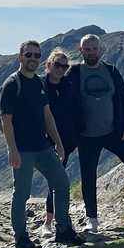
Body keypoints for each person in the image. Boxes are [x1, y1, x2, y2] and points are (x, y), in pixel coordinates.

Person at [0, 40, 85, 248]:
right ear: (20, 57)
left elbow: (47, 115)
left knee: (62, 185)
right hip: (23, 150)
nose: (33, 59)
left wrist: (58, 143)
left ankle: (63, 230)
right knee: (21, 194)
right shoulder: (12, 84)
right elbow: (6, 119)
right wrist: (12, 149)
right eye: (28, 55)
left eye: (36, 55)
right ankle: (21, 238)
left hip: (43, 147)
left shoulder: (38, 83)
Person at [65, 34, 124, 233]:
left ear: (101, 49)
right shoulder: (74, 73)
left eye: (94, 49)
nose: (91, 53)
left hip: (114, 132)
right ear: (81, 51)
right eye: (87, 49)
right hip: (85, 136)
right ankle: (92, 220)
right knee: (88, 177)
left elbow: (123, 98)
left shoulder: (111, 71)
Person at [40, 48, 81, 237]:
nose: (61, 69)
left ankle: (51, 223)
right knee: (56, 180)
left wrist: (75, 137)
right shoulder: (39, 86)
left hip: (65, 142)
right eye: (58, 65)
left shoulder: (68, 87)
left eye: (65, 66)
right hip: (43, 141)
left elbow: (76, 112)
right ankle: (53, 222)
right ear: (49, 65)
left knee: (55, 181)